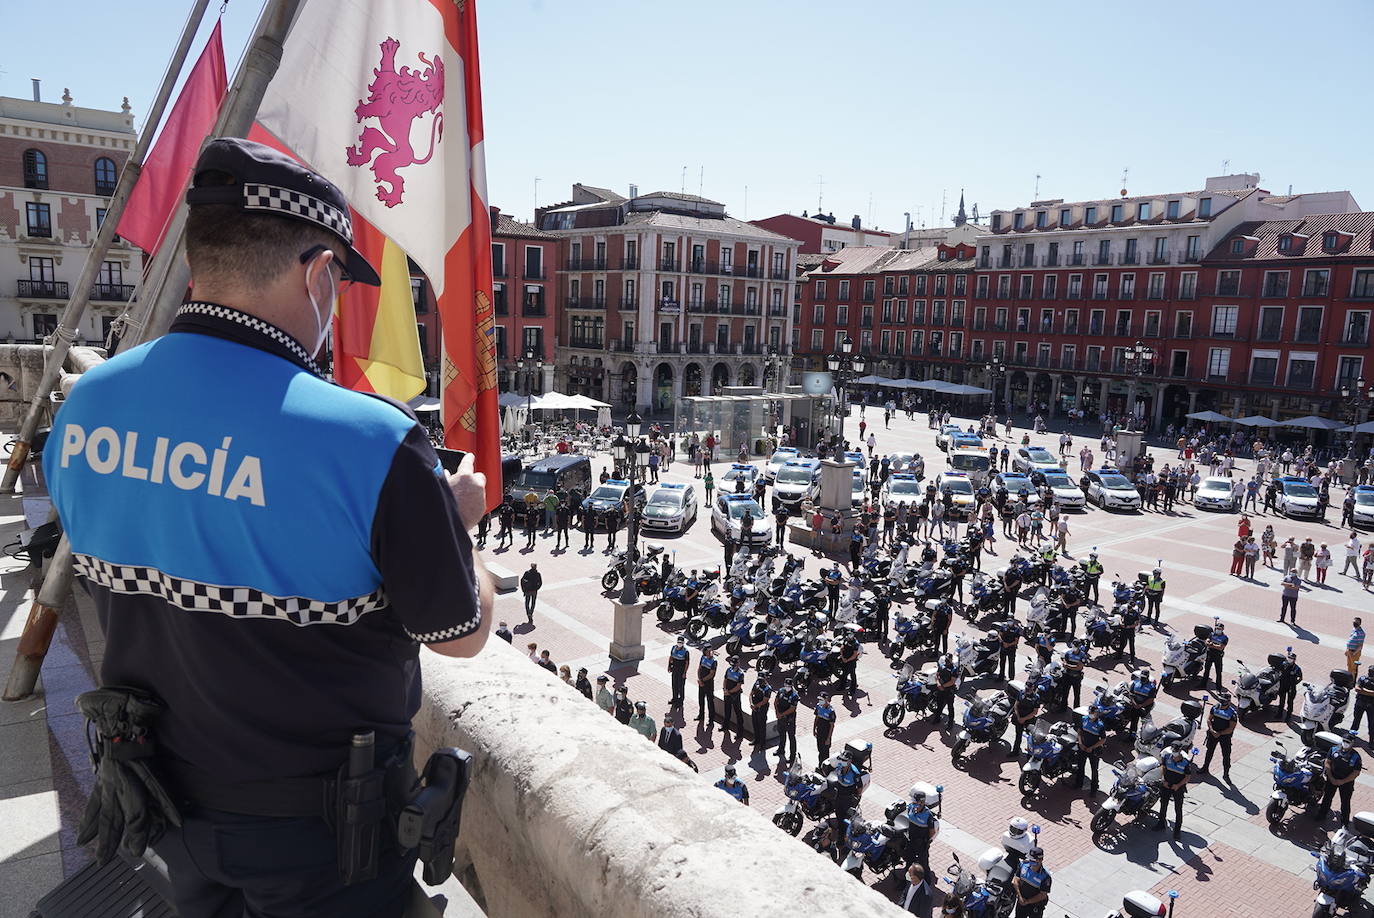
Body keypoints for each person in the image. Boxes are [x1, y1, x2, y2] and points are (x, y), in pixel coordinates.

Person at [40, 138, 497, 918]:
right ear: (319, 271)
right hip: (322, 841)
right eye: (340, 285)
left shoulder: (85, 408)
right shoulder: (369, 441)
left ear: (198, 260)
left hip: (163, 805)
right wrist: (458, 526)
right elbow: (458, 631)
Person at [1316, 732, 1363, 828]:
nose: (1345, 743)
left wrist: (1342, 781)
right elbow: (1327, 762)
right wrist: (1331, 777)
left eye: (1348, 742)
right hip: (1332, 778)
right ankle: (1322, 814)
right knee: (1327, 798)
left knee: (1345, 802)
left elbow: (1356, 773)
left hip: (1346, 783)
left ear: (1352, 743)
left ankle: (1344, 822)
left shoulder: (1355, 756)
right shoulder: (1334, 750)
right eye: (1344, 741)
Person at [1155, 746, 1194, 840]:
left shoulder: (1185, 762)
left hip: (1178, 788)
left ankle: (1177, 831)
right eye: (1173, 751)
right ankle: (1161, 823)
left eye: (1176, 751)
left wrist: (1178, 785)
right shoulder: (1167, 757)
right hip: (1166, 785)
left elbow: (1187, 777)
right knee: (1163, 805)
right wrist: (1164, 780)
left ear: (1180, 751)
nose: (1174, 754)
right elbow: (1163, 767)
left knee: (1178, 809)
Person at [1200, 690, 1238, 781]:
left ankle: (1226, 774)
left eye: (1224, 701)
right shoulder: (1215, 707)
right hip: (1213, 733)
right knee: (1209, 751)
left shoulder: (1232, 713)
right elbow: (1209, 719)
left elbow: (1231, 728)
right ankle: (1205, 768)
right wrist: (1212, 730)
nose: (1222, 703)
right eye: (1221, 700)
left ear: (1228, 702)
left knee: (1226, 755)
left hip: (1225, 736)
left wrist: (1219, 733)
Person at [1074, 705, 1107, 796]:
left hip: (1093, 750)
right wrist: (1080, 743)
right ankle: (1078, 783)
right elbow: (1079, 731)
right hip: (1083, 747)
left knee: (1094, 770)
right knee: (1080, 766)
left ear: (1097, 714)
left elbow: (1103, 739)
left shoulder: (1100, 725)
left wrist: (1092, 747)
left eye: (1093, 713)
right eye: (1090, 713)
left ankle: (1094, 789)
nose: (1091, 715)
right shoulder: (1084, 719)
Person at [1012, 847, 1052, 918]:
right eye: (1030, 859)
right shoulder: (1023, 865)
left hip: (1036, 905)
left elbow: (1043, 895)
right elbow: (1016, 880)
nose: (1030, 861)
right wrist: (1020, 897)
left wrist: (1027, 901)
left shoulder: (1045, 877)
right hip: (1021, 901)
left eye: (1033, 860)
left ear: (1040, 860)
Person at [774, 678, 800, 765]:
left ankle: (792, 756)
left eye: (789, 686)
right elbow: (776, 701)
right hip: (780, 717)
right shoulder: (781, 691)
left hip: (789, 719)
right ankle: (781, 749)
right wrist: (777, 713)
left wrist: (782, 714)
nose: (787, 687)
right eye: (786, 685)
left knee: (791, 737)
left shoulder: (794, 695)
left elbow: (792, 708)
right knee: (781, 734)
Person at [1010, 689, 1041, 758]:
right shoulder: (1021, 693)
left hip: (1029, 720)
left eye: (1029, 689)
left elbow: (1035, 712)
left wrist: (1024, 719)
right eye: (1026, 689)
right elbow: (1016, 705)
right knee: (1018, 735)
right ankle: (1015, 751)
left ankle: (1030, 755)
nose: (1027, 691)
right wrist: (1018, 717)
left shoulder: (1036, 697)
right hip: (1019, 718)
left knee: (1030, 737)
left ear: (1033, 688)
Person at [929, 654, 958, 728]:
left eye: (948, 659)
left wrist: (943, 686)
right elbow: (937, 675)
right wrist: (938, 684)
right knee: (939, 705)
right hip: (940, 690)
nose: (947, 660)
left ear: (951, 659)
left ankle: (950, 722)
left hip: (949, 690)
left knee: (950, 707)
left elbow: (952, 681)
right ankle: (937, 718)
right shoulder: (941, 666)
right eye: (946, 658)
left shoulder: (954, 669)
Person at [721, 657, 745, 738]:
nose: (733, 666)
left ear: (738, 663)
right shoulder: (728, 670)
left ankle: (740, 733)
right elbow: (725, 680)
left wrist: (729, 692)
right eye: (732, 664)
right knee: (727, 710)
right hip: (727, 694)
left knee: (738, 713)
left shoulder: (741, 673)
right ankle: (725, 726)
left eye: (735, 664)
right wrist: (724, 689)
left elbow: (738, 686)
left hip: (735, 696)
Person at [696, 645, 719, 728]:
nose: (708, 653)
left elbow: (712, 674)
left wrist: (702, 680)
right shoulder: (703, 657)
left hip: (708, 684)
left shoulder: (714, 661)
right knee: (701, 700)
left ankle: (711, 720)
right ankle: (701, 715)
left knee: (710, 702)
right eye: (707, 652)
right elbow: (699, 668)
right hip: (701, 682)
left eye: (709, 651)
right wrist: (699, 678)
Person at [1200, 621, 1227, 690]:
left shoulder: (1224, 638)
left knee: (1218, 672)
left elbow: (1221, 647)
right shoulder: (1212, 634)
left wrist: (1212, 645)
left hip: (1218, 656)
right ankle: (1203, 684)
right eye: (1217, 628)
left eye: (1219, 628)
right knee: (1206, 670)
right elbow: (1207, 641)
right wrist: (1211, 644)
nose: (1218, 630)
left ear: (1223, 629)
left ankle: (1218, 688)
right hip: (1210, 654)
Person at [749, 675, 773, 753]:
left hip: (762, 709)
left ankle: (763, 744)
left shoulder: (768, 688)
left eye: (761, 679)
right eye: (759, 679)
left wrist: (756, 706)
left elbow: (765, 700)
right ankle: (756, 740)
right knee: (755, 724)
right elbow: (751, 694)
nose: (760, 681)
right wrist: (751, 704)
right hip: (755, 707)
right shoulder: (756, 684)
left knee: (762, 726)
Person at [1351, 666, 1374, 745]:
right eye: (1370, 671)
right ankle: (1351, 737)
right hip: (1360, 703)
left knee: (1372, 724)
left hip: (1371, 706)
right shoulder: (1363, 679)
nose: (1370, 673)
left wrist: (1363, 691)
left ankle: (1371, 741)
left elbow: (1360, 690)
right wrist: (1370, 693)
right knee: (1356, 721)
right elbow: (1357, 689)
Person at [1278, 651, 1304, 720]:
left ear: (1294, 660)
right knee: (1281, 701)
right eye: (1289, 657)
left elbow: (1300, 677)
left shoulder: (1296, 668)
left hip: (1291, 687)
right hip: (1283, 685)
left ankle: (1288, 716)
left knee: (1290, 702)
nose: (1289, 659)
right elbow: (1279, 671)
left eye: (1291, 658)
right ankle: (1279, 714)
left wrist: (1295, 683)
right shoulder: (1283, 664)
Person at [667, 636, 690, 708]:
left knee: (681, 687)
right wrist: (669, 666)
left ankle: (680, 701)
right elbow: (671, 657)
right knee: (674, 685)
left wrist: (684, 673)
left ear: (683, 643)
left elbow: (687, 663)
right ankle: (674, 699)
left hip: (681, 671)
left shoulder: (686, 651)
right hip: (675, 670)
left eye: (681, 642)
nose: (679, 644)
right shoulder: (674, 648)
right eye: (678, 642)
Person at [813, 695, 836, 765]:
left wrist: (828, 738)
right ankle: (820, 765)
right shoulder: (818, 706)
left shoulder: (831, 711)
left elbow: (832, 726)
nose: (820, 701)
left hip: (826, 734)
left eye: (821, 699)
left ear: (826, 699)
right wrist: (814, 729)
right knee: (820, 750)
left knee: (825, 752)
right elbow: (816, 718)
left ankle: (825, 767)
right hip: (819, 732)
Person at [838, 632, 861, 697]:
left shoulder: (855, 643)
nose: (849, 637)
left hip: (851, 662)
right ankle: (842, 686)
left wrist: (847, 660)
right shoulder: (846, 640)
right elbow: (842, 648)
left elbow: (854, 654)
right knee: (844, 674)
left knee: (852, 675)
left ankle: (852, 690)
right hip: (844, 659)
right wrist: (842, 657)